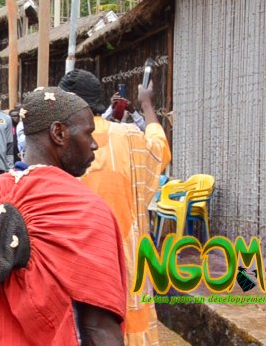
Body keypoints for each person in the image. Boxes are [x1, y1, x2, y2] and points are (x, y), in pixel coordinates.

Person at [0, 88, 126, 345]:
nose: (94, 144)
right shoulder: (82, 209)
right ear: (59, 133)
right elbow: (99, 329)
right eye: (88, 133)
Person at [59, 69, 171, 345]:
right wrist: (147, 105)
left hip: (78, 257)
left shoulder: (60, 142)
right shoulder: (129, 137)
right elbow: (160, 150)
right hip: (127, 254)